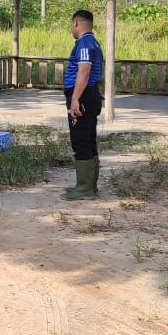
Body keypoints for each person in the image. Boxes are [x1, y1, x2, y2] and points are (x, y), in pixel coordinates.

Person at [62, 10, 105, 201]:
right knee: (88, 138)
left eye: (72, 25)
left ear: (76, 23)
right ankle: (89, 185)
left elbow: (84, 71)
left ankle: (84, 187)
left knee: (80, 140)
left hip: (84, 96)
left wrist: (75, 99)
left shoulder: (85, 43)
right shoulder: (94, 41)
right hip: (91, 94)